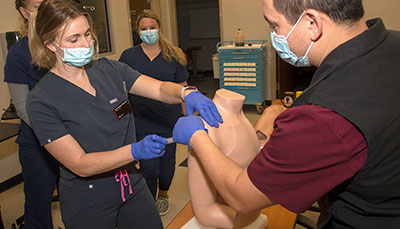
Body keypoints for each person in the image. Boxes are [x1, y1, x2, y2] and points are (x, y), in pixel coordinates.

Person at [172, 0, 400, 228]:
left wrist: (196, 136)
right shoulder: (392, 43)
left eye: (274, 26)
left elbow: (242, 197)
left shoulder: (323, 114)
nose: (274, 36)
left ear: (312, 23)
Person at [26, 0, 222, 228]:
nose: (86, 44)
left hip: (131, 182)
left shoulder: (109, 70)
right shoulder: (42, 99)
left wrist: (185, 92)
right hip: (89, 198)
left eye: (87, 34)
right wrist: (135, 150)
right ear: (50, 45)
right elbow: (80, 163)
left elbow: (158, 88)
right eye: (74, 39)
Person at [119, 9, 188, 215]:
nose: (148, 31)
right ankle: (148, 203)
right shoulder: (128, 56)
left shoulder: (173, 55)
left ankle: (163, 194)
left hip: (169, 119)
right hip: (141, 118)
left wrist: (187, 120)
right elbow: (120, 89)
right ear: (137, 31)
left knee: (166, 166)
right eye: (144, 29)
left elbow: (183, 88)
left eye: (152, 27)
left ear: (159, 28)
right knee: (149, 167)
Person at [4, 0, 60, 228]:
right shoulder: (18, 54)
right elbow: (23, 107)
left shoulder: (62, 43)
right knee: (39, 205)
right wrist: (57, 135)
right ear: (24, 12)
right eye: (37, 6)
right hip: (37, 142)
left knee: (79, 198)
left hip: (74, 134)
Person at [188, 89, 268, 228]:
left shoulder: (241, 121)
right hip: (244, 215)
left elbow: (204, 214)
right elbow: (205, 212)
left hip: (242, 215)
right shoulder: (209, 128)